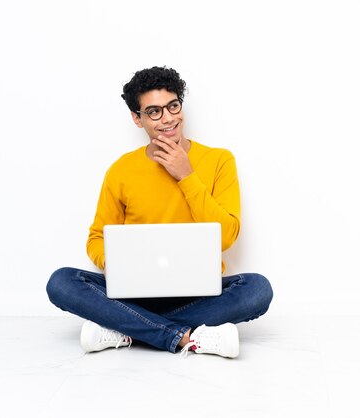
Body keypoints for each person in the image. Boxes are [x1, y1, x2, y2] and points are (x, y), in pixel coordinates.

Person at [46, 66, 273, 358]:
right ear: (137, 119)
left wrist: (186, 176)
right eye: (153, 111)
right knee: (61, 282)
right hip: (134, 294)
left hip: (198, 294)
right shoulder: (121, 170)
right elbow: (96, 238)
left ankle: (126, 328)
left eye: (173, 106)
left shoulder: (219, 160)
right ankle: (186, 337)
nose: (168, 118)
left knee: (257, 289)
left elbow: (226, 237)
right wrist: (122, 263)